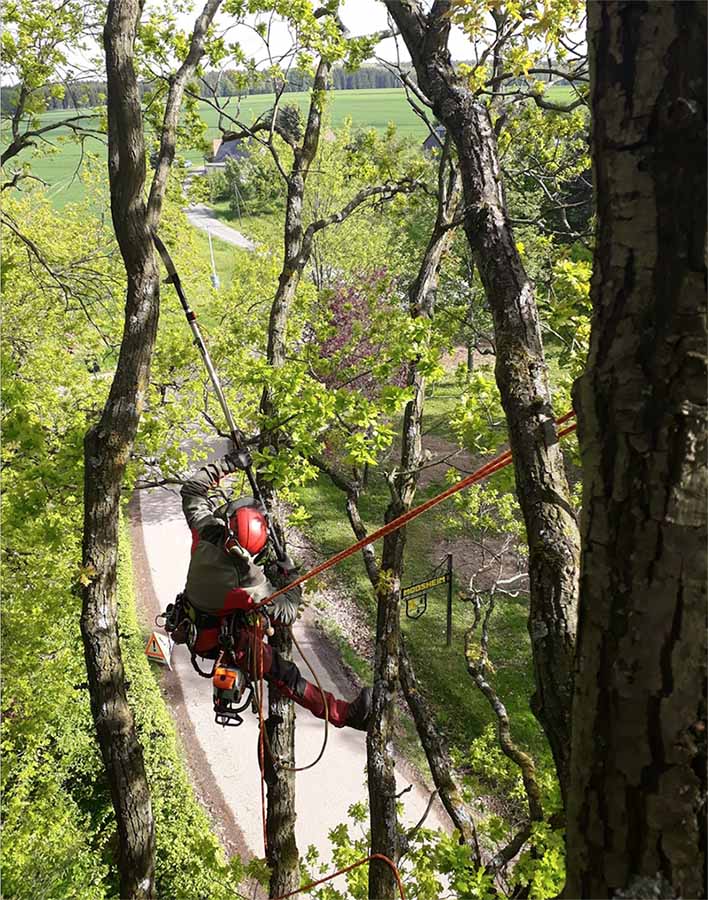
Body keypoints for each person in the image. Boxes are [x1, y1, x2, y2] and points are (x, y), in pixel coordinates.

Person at [174, 451, 372, 731]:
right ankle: (344, 715)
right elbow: (287, 611)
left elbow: (193, 490)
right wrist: (291, 575)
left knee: (277, 666)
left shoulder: (206, 531)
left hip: (194, 622)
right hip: (222, 642)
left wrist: (229, 464)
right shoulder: (247, 580)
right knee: (284, 674)